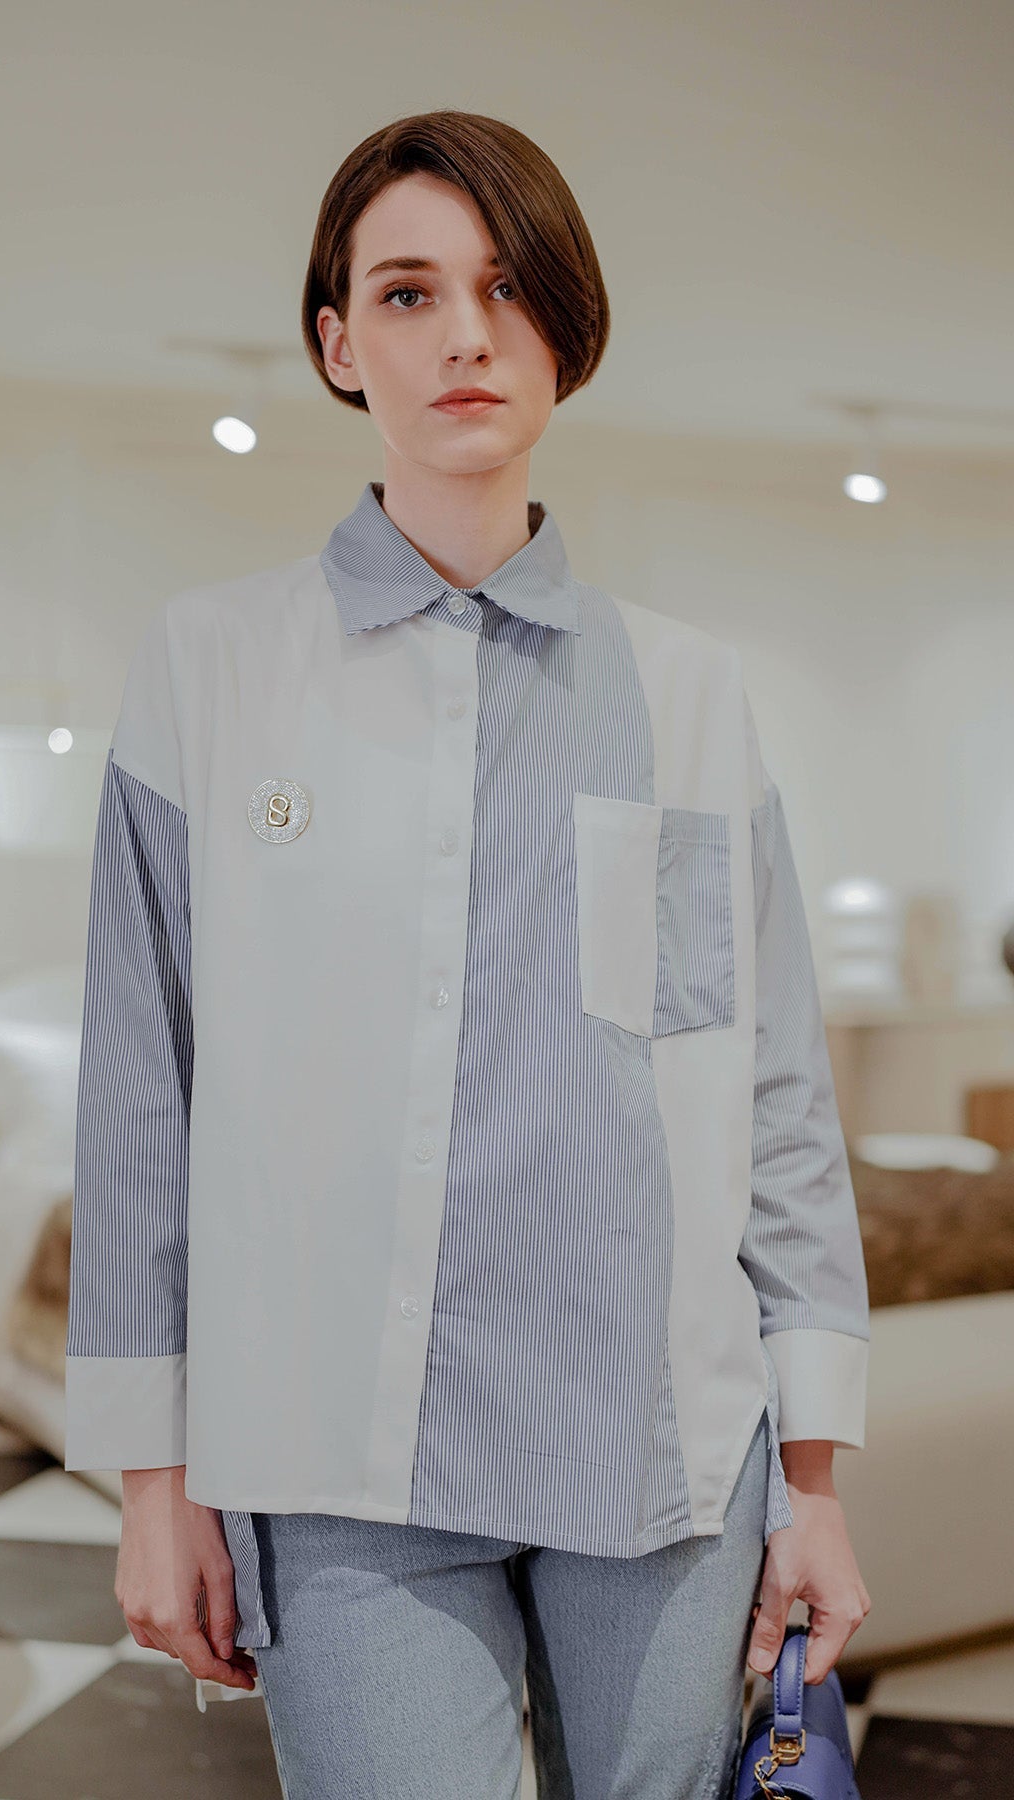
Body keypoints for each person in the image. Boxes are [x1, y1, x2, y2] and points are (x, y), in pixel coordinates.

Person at [65, 108, 871, 1799]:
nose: (466, 336)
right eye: (409, 292)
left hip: (660, 1452)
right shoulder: (210, 668)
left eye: (507, 289)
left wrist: (813, 1482)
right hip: (335, 1464)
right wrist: (153, 1481)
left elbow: (775, 1105)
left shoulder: (691, 692)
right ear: (336, 343)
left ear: (564, 330)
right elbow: (143, 1105)